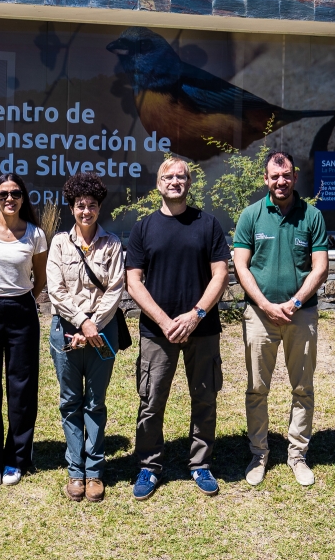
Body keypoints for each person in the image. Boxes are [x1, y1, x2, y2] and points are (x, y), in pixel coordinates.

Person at [126, 158, 229, 500]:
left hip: (202, 328)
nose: (174, 181)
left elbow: (220, 274)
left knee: (205, 398)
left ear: (189, 183)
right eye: (168, 177)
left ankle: (200, 463)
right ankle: (149, 465)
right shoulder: (143, 228)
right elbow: (133, 282)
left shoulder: (208, 224)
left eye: (181, 176)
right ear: (158, 184)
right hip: (158, 332)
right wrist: (165, 321)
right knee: (151, 400)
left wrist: (195, 315)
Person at [232, 151, 329, 488]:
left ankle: (297, 455)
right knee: (257, 388)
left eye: (286, 175)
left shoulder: (312, 216)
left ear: (294, 177)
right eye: (275, 176)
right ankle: (259, 453)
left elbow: (320, 267)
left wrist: (295, 302)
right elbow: (241, 265)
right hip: (260, 316)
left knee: (302, 388)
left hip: (301, 315)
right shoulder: (251, 215)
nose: (281, 181)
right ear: (266, 179)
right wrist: (265, 304)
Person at [46, 173, 125, 503]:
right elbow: (56, 289)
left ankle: (94, 471)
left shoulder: (113, 244)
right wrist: (81, 322)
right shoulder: (59, 244)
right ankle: (75, 470)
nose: (86, 211)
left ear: (99, 208)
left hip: (102, 331)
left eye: (92, 205)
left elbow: (115, 288)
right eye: (80, 205)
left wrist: (93, 325)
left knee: (95, 402)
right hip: (65, 329)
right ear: (71, 208)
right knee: (70, 401)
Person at [0, 173, 48, 488]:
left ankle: (16, 458)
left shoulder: (35, 234)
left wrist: (22, 298)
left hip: (22, 311)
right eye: (3, 194)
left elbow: (40, 277)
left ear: (23, 198)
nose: (9, 199)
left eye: (15, 193)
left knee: (22, 387)